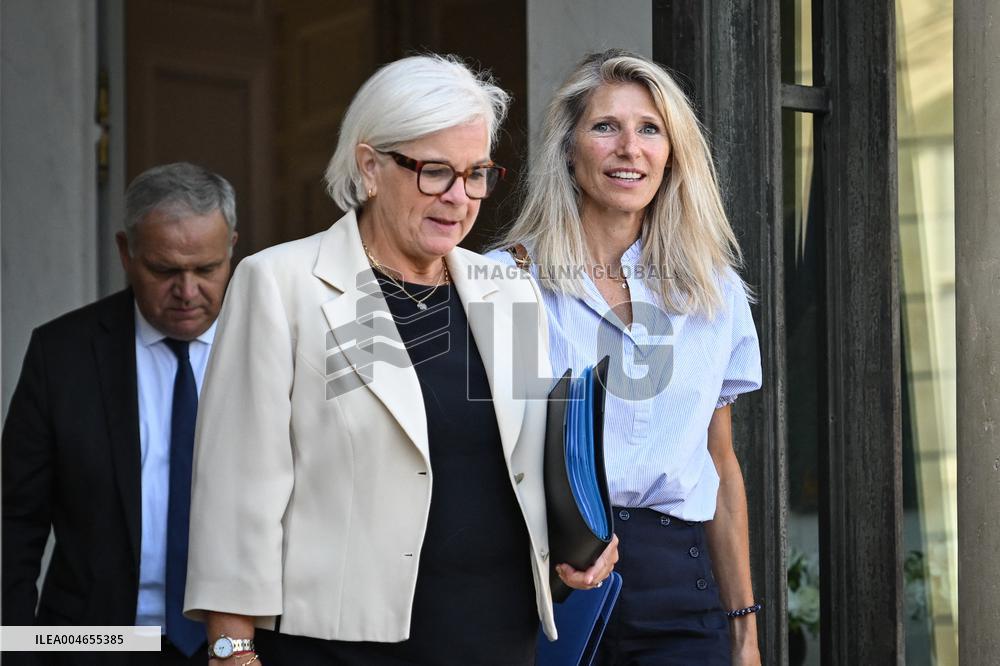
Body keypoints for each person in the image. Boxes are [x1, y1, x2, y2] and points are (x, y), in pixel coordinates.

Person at [182, 54, 617, 666]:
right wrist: (232, 649)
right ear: (370, 167)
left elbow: (528, 466)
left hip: (495, 638)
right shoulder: (282, 284)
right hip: (338, 648)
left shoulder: (508, 289)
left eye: (476, 174)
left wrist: (576, 544)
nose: (459, 198)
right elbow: (237, 491)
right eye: (435, 172)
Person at [489, 49, 763, 665]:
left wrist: (744, 632)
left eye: (650, 129)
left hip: (678, 592)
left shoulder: (711, 293)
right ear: (568, 145)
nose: (628, 148)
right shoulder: (506, 281)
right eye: (605, 126)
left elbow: (720, 464)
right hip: (541, 587)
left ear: (672, 153)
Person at [2, 162, 239, 665]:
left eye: (207, 268)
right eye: (166, 270)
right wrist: (16, 650)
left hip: (237, 648)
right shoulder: (61, 354)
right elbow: (14, 522)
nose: (188, 291)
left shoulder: (274, 347)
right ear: (126, 253)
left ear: (232, 248)